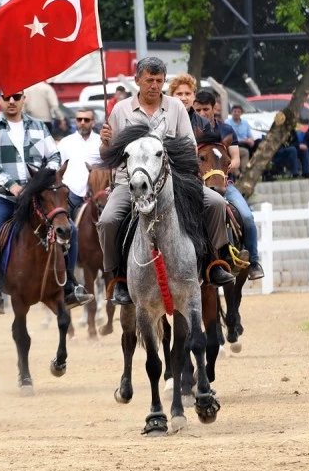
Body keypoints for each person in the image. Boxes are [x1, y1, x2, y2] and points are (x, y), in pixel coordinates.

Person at [98, 58, 235, 307]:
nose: (154, 85)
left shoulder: (176, 108)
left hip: (174, 181)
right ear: (137, 80)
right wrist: (106, 141)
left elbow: (189, 147)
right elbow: (110, 155)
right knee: (107, 220)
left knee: (215, 202)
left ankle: (217, 260)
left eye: (159, 81)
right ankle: (117, 277)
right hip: (130, 183)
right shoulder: (120, 110)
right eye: (149, 80)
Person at [0, 90, 92, 314]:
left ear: (23, 99)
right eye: (7, 97)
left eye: (16, 97)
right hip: (3, 196)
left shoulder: (39, 126)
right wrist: (13, 185)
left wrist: (41, 182)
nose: (12, 101)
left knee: (72, 230)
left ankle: (69, 286)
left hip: (38, 198)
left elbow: (55, 156)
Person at [193, 89, 264, 280]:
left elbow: (235, 159)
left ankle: (254, 262)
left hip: (225, 182)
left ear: (213, 108)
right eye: (197, 109)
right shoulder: (188, 131)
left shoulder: (226, 130)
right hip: (197, 185)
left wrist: (220, 169)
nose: (201, 114)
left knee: (247, 217)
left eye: (205, 109)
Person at [57, 108, 103, 211]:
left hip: (96, 194)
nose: (82, 122)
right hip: (71, 193)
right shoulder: (65, 142)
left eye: (86, 120)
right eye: (79, 119)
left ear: (93, 122)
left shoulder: (101, 142)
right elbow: (57, 167)